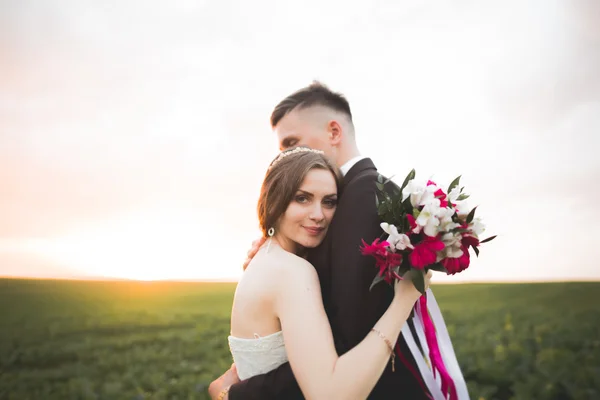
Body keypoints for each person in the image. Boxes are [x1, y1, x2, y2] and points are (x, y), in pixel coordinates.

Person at [210, 82, 462, 399]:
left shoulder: (363, 194)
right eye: (303, 198)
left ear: (333, 132)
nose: (286, 157)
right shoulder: (339, 204)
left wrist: (241, 392)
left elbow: (346, 339)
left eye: (291, 143)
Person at [211, 146, 431, 400]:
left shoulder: (270, 260)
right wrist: (404, 300)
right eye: (302, 198)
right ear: (274, 200)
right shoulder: (291, 272)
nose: (318, 215)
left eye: (329, 202)